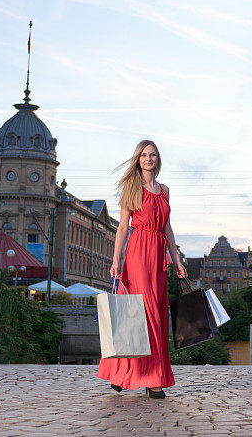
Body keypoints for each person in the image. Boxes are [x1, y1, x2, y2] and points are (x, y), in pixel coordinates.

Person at [97, 140, 187, 399]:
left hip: (159, 256)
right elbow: (123, 227)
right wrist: (116, 260)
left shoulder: (165, 190)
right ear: (137, 159)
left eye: (153, 155)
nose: (149, 159)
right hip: (137, 253)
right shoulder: (131, 187)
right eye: (144, 155)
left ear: (158, 159)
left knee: (156, 313)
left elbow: (168, 228)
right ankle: (150, 378)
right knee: (140, 313)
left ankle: (126, 375)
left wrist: (177, 260)